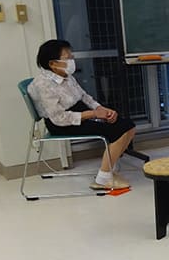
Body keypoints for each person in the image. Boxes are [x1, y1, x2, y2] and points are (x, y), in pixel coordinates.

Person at [28, 39, 135, 190]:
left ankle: (109, 169)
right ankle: (103, 179)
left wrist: (102, 110)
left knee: (128, 126)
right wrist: (93, 114)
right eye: (68, 58)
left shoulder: (66, 75)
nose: (72, 61)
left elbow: (84, 97)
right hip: (62, 124)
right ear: (53, 63)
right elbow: (59, 118)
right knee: (119, 130)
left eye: (72, 56)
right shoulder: (43, 84)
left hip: (79, 113)